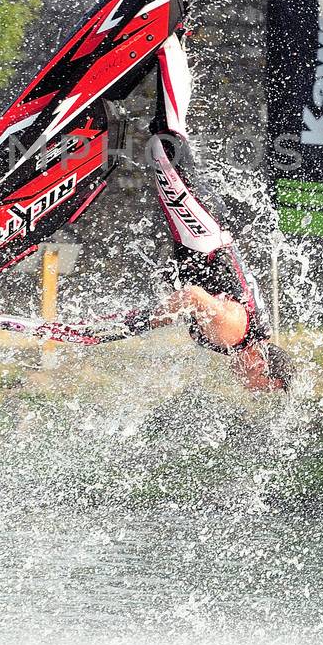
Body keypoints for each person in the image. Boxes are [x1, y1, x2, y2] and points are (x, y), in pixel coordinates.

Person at [127, 29, 296, 394]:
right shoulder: (233, 332)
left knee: (169, 139)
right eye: (259, 385)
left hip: (207, 231)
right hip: (200, 232)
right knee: (165, 143)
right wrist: (150, 319)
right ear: (262, 365)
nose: (249, 387)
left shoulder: (252, 332)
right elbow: (192, 296)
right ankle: (167, 38)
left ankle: (173, 40)